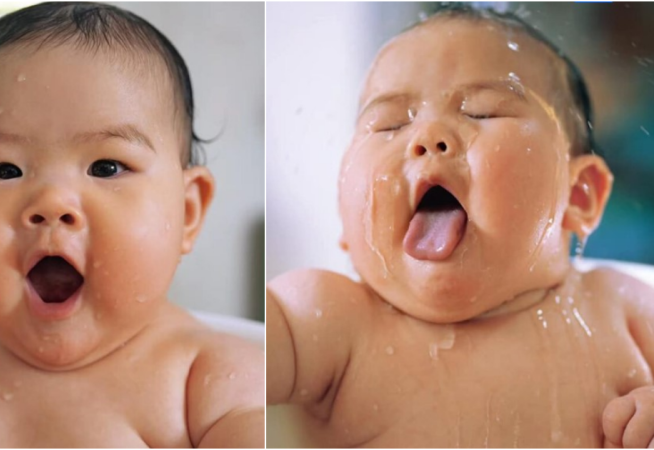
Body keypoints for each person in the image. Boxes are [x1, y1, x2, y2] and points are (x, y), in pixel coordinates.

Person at [0, 2, 263, 447]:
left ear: (187, 211)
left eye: (106, 167)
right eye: (5, 170)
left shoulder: (214, 382)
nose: (51, 203)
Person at [267, 5, 654, 447]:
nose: (427, 136)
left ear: (579, 194)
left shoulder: (623, 309)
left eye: (482, 113)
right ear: (343, 207)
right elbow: (239, 362)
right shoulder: (328, 321)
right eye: (389, 125)